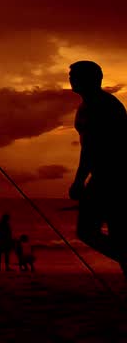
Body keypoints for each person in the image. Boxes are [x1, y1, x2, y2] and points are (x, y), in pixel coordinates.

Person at [68, 60, 127, 277]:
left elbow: (98, 147)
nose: (71, 79)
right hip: (101, 176)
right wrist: (81, 179)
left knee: (96, 232)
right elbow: (87, 148)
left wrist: (79, 180)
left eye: (76, 76)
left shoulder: (105, 105)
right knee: (91, 232)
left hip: (116, 178)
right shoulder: (84, 107)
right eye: (71, 76)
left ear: (93, 79)